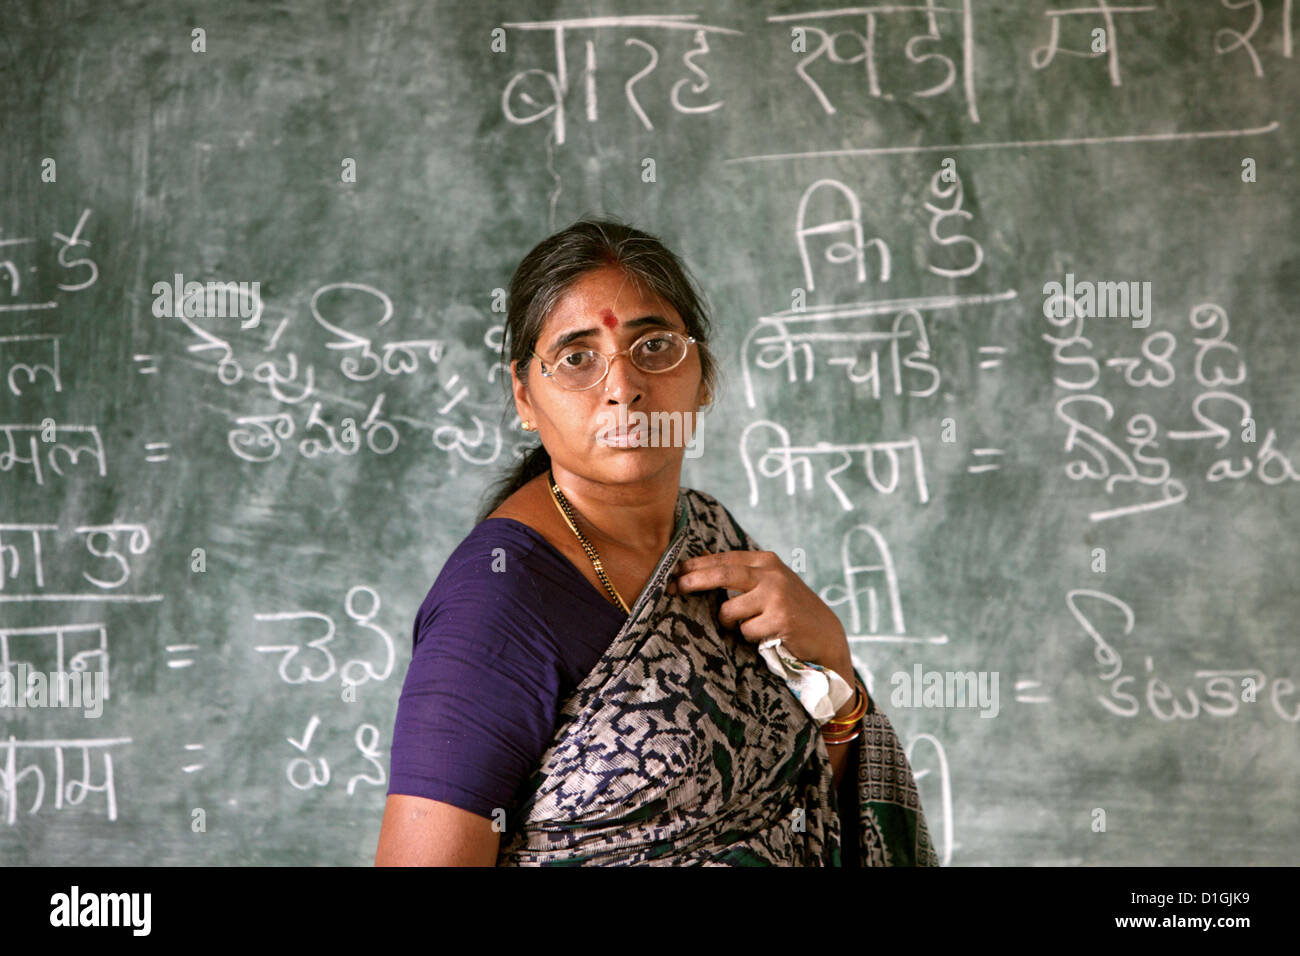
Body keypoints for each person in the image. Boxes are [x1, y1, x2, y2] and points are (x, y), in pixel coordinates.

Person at [374, 218, 937, 866]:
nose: (622, 387)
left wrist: (832, 666)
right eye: (577, 358)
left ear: (703, 378)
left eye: (654, 347)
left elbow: (814, 807)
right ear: (525, 397)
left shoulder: (713, 546)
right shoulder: (498, 602)